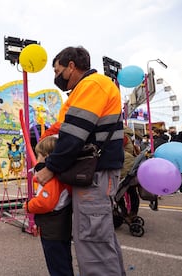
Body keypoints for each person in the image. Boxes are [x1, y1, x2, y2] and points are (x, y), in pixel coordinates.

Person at [35, 46, 126, 276]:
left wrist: (50, 167)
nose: (57, 77)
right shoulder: (92, 87)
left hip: (95, 175)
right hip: (98, 175)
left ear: (71, 66)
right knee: (100, 239)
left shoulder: (91, 85)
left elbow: (75, 133)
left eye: (58, 70)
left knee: (93, 242)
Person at [24, 136, 74, 276]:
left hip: (53, 231)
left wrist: (29, 205)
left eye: (38, 156)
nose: (37, 159)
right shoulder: (60, 175)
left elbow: (45, 202)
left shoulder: (52, 179)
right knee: (63, 261)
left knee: (57, 266)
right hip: (60, 228)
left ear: (47, 157)